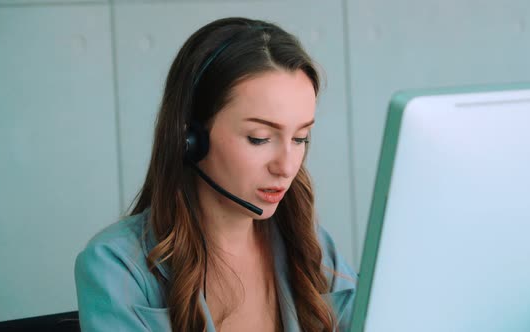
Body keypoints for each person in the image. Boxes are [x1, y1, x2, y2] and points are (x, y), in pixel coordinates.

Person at [74, 17, 357, 332]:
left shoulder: (309, 243)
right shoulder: (117, 267)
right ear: (190, 139)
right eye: (259, 138)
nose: (287, 166)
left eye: (300, 138)